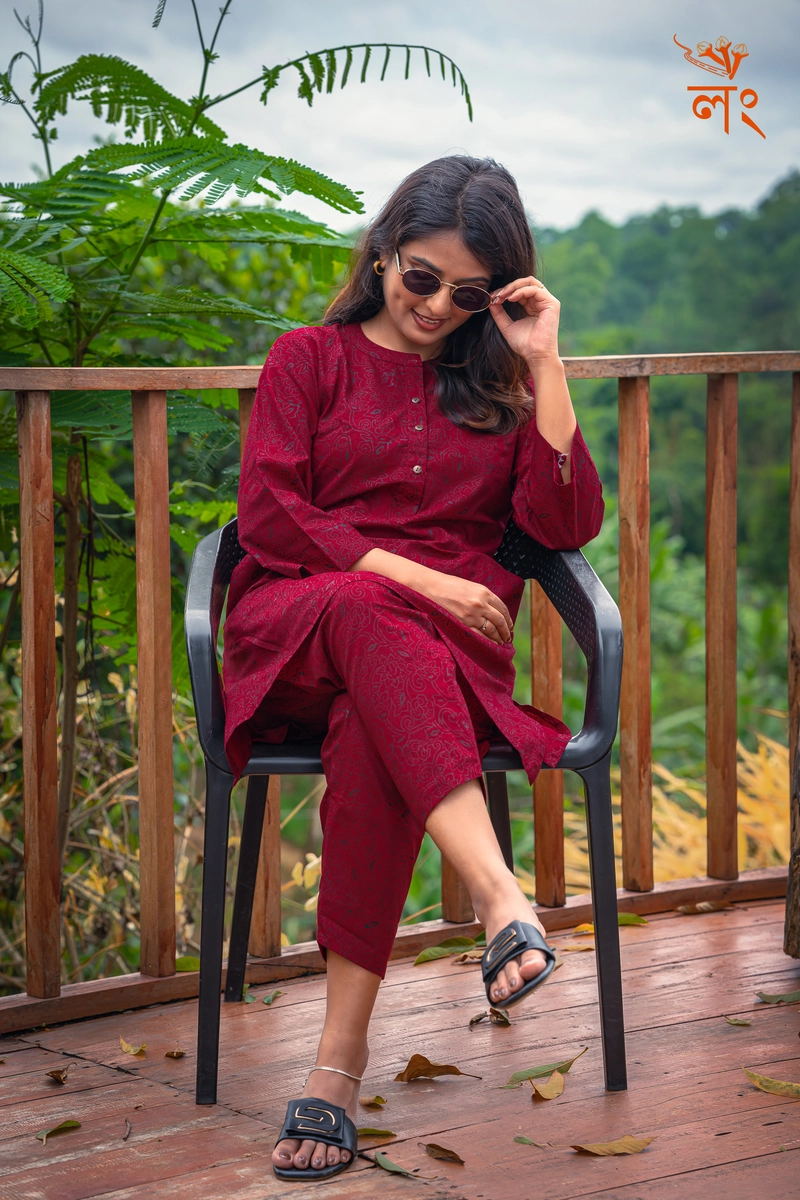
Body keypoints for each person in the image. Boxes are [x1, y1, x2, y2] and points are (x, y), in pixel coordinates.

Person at [222, 155, 604, 1180]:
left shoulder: (498, 387)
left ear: (498, 298)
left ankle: (336, 1068)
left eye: (467, 294)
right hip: (301, 624)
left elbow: (563, 521)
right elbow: (270, 514)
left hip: (430, 670)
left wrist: (544, 362)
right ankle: (500, 899)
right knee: (366, 613)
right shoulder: (308, 358)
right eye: (421, 277)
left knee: (374, 726)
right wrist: (420, 579)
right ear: (385, 253)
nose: (436, 307)